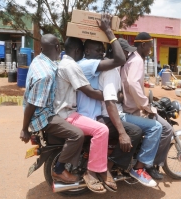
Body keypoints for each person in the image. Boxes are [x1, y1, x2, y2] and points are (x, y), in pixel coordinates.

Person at [97, 38, 162, 187]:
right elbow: (110, 102)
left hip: (111, 112)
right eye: (126, 52)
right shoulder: (112, 71)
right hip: (113, 115)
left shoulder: (110, 67)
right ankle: (139, 168)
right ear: (118, 52)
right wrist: (122, 131)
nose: (127, 56)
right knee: (155, 127)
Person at [20, 34, 84, 184]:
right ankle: (59, 171)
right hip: (43, 117)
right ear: (57, 47)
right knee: (77, 135)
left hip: (42, 112)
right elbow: (32, 103)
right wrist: (24, 129)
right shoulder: (46, 75)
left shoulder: (40, 60)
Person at [76, 14, 126, 191]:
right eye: (98, 50)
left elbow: (99, 93)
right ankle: (100, 170)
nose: (102, 54)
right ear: (87, 51)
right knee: (131, 130)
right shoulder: (87, 63)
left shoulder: (90, 65)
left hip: (93, 115)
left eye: (102, 50)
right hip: (88, 117)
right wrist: (108, 31)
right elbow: (120, 59)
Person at [53, 36, 110, 193]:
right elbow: (89, 91)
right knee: (102, 130)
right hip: (67, 114)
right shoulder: (71, 66)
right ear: (78, 51)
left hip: (66, 111)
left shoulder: (64, 63)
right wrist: (113, 96)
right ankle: (92, 172)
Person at [120, 32, 174, 180]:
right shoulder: (137, 60)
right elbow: (132, 83)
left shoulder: (130, 58)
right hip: (134, 109)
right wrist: (145, 105)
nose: (150, 50)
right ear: (143, 45)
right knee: (166, 129)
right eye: (150, 46)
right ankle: (149, 164)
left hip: (128, 106)